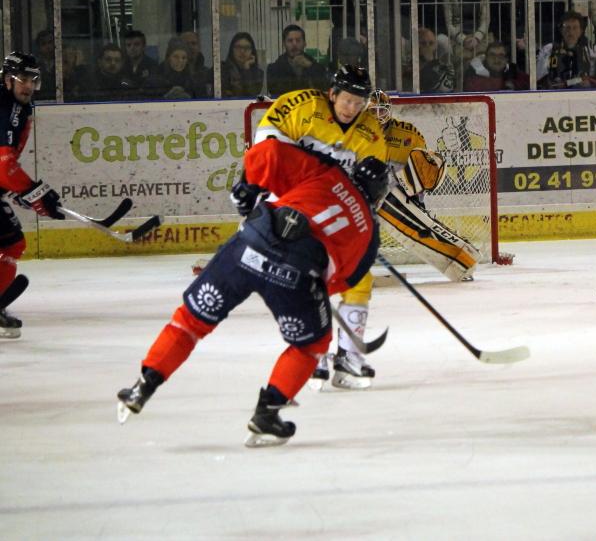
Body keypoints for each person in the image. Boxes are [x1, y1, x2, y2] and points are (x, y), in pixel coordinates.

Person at [115, 136, 390, 446]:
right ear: (379, 198)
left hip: (250, 243)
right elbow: (344, 282)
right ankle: (267, 415)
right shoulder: (371, 236)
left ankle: (142, 386)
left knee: (190, 322)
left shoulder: (329, 172)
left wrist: (248, 189)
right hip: (296, 275)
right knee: (312, 345)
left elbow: (267, 151)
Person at [254, 63, 388, 391]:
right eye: (347, 101)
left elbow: (371, 190)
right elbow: (266, 150)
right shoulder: (301, 106)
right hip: (291, 208)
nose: (352, 108)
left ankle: (349, 356)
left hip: (335, 213)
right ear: (332, 94)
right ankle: (314, 353)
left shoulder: (370, 132)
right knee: (306, 280)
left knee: (359, 276)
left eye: (359, 103)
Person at [366, 89, 483, 281]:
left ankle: (460, 263)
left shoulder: (409, 134)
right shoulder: (355, 134)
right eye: (373, 111)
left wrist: (416, 199)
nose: (378, 116)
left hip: (394, 197)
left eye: (382, 111)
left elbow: (422, 171)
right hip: (363, 195)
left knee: (422, 231)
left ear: (389, 111)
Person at [0, 53, 65, 339]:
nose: (28, 86)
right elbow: (4, 164)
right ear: (7, 80)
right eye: (22, 79)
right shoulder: (6, 108)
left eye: (32, 80)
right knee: (12, 242)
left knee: (12, 242)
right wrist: (35, 193)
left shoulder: (17, 105)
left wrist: (20, 190)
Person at [536, 11, 595, 89]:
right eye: (567, 27)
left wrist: (588, 83)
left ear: (581, 31)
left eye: (575, 28)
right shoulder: (549, 50)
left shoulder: (587, 52)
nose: (571, 32)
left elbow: (592, 78)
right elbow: (539, 76)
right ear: (561, 30)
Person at [266, 24, 328, 96]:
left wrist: (310, 66)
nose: (294, 44)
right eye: (290, 41)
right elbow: (275, 92)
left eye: (298, 40)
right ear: (284, 44)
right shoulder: (274, 69)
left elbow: (324, 88)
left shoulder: (317, 68)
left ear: (304, 43)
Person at [464, 42, 529, 91]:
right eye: (492, 55)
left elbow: (530, 84)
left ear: (506, 59)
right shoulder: (473, 73)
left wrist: (514, 84)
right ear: (486, 58)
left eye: (501, 55)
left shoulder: (513, 71)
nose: (496, 60)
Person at [221, 32, 264, 98]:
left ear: (252, 51)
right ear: (232, 50)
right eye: (238, 47)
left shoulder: (258, 73)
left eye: (247, 47)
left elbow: (252, 95)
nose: (242, 51)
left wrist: (247, 70)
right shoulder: (222, 70)